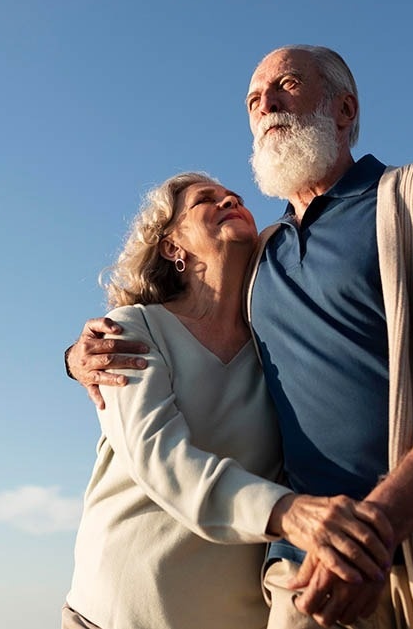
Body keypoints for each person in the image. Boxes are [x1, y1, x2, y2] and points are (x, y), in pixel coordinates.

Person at [66, 45, 413, 629]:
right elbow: (177, 321)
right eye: (254, 100)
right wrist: (79, 357)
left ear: (345, 109)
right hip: (303, 576)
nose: (267, 104)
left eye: (288, 85)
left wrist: (380, 522)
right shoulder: (262, 257)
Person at [63, 172, 395, 629]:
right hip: (112, 615)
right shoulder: (131, 330)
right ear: (171, 245)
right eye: (206, 200)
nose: (229, 199)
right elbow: (160, 458)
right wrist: (290, 513)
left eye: (232, 196)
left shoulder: (274, 352)